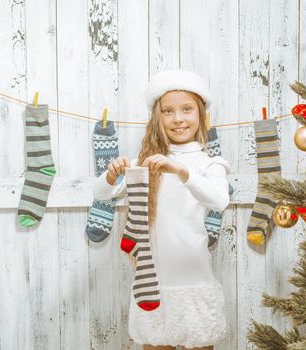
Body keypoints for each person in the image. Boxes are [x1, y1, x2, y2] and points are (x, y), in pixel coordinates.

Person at [93, 69, 230, 350]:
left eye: (186, 109)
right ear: (157, 118)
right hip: (152, 283)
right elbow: (101, 194)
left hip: (194, 280)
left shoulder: (209, 164)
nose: (178, 118)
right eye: (168, 111)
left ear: (201, 115)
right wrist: (112, 174)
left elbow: (218, 200)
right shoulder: (146, 163)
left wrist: (181, 170)